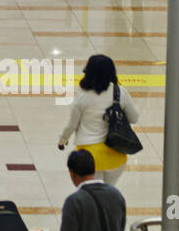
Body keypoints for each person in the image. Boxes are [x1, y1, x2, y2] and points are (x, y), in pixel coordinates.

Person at [58, 54, 140, 185]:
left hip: (88, 159)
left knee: (91, 196)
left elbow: (72, 125)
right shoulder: (119, 92)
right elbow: (134, 118)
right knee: (107, 194)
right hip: (116, 156)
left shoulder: (82, 96)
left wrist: (62, 140)